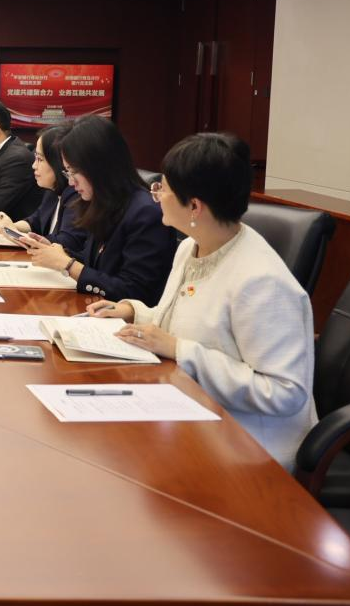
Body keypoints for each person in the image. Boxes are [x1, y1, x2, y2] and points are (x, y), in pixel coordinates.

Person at [88, 133, 316, 470]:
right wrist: (133, 312)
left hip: (248, 443)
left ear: (194, 206)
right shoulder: (190, 246)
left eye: (163, 188)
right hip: (190, 410)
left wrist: (181, 350)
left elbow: (284, 392)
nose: (156, 195)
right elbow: (184, 324)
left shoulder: (261, 281)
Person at [18, 115, 175, 304]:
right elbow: (94, 262)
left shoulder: (146, 213)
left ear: (99, 167)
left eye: (74, 172)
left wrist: (68, 265)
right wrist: (60, 253)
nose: (71, 182)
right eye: (68, 172)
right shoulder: (103, 203)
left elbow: (135, 292)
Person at [0, 123, 86, 250]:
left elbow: (65, 243)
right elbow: (35, 221)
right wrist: (9, 226)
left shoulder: (76, 194)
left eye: (40, 159)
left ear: (58, 162)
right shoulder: (52, 191)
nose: (34, 165)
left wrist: (13, 232)